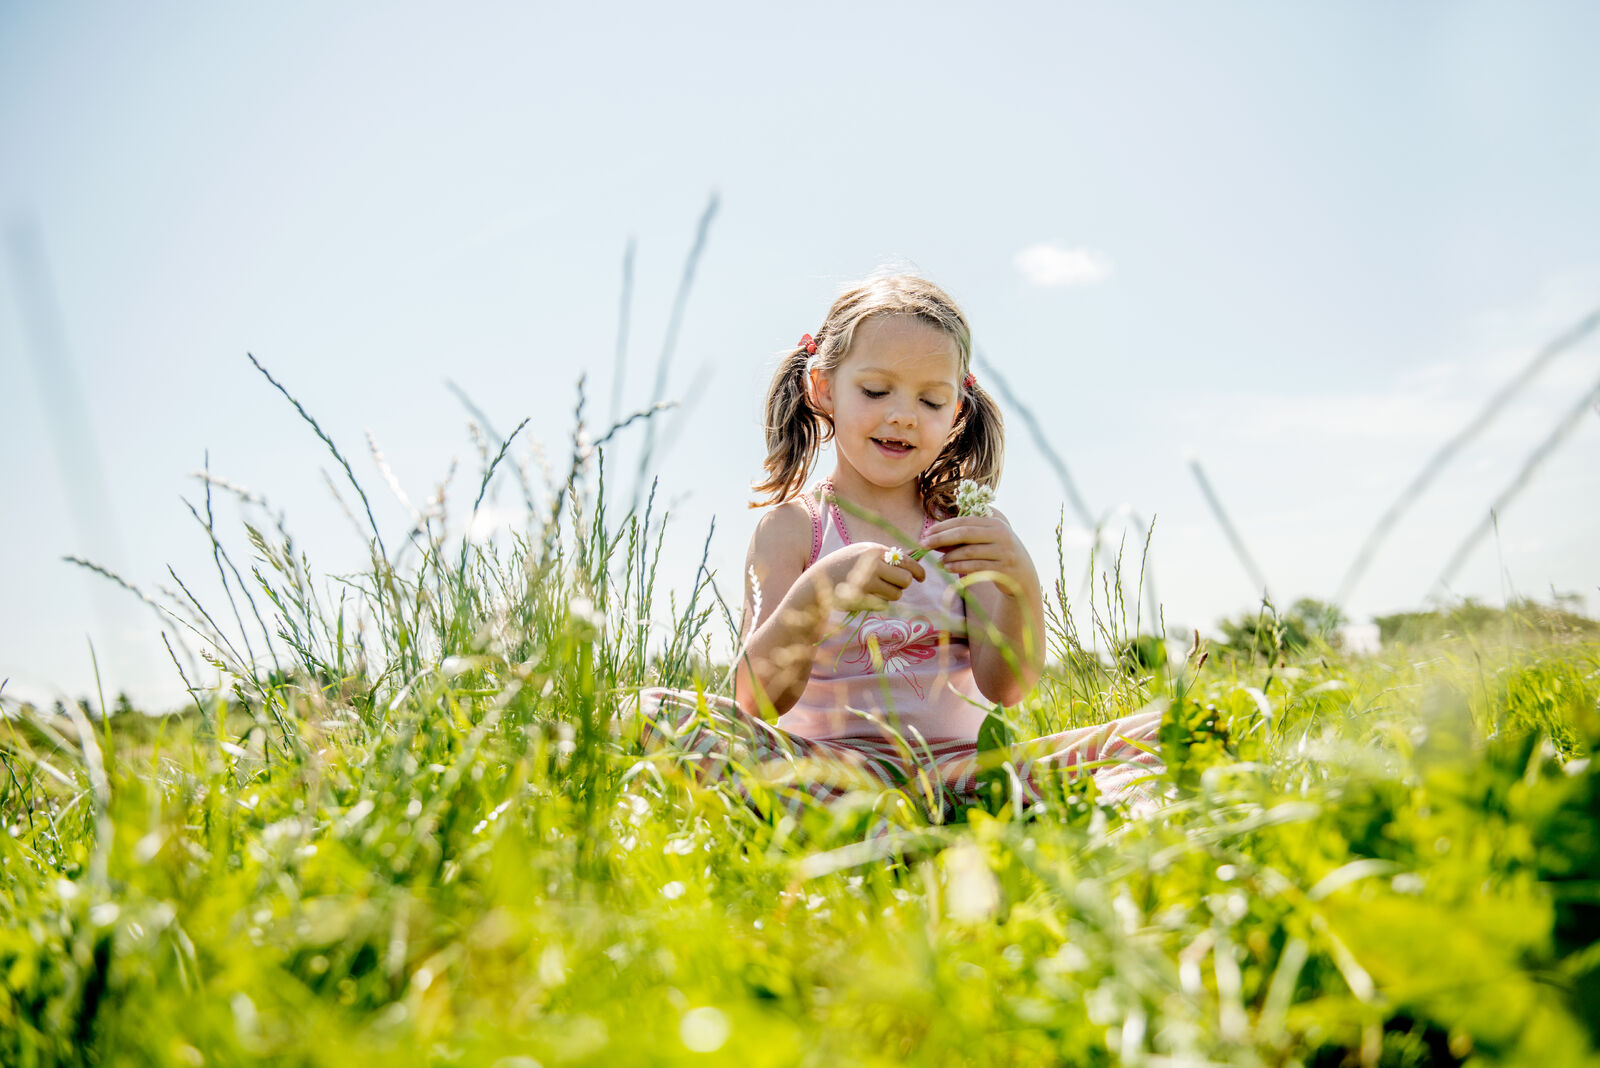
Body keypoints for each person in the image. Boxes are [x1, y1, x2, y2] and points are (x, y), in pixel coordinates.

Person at [634, 274, 1162, 817]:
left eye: (930, 400)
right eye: (875, 391)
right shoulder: (793, 528)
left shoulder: (968, 526)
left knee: (1170, 730)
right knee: (653, 713)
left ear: (956, 411)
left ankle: (921, 831)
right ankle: (886, 830)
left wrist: (1020, 583)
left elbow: (1006, 688)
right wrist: (818, 593)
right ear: (822, 388)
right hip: (832, 774)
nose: (904, 415)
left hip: (965, 774)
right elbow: (754, 700)